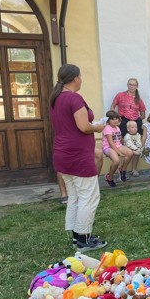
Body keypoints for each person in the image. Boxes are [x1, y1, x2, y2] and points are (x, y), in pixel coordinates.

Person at [49, 64, 107, 252]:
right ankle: (84, 239)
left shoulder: (56, 98)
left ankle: (76, 236)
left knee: (74, 196)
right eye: (80, 76)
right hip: (77, 157)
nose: (81, 80)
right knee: (89, 197)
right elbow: (83, 126)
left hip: (63, 154)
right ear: (75, 78)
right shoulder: (73, 98)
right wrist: (98, 127)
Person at [102, 110, 134, 187]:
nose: (115, 120)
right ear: (108, 120)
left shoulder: (117, 128)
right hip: (108, 147)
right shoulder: (107, 128)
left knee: (130, 153)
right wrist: (119, 153)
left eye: (116, 118)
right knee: (116, 161)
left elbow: (119, 140)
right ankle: (109, 177)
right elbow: (111, 143)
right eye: (112, 119)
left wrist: (125, 146)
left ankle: (122, 170)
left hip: (118, 146)